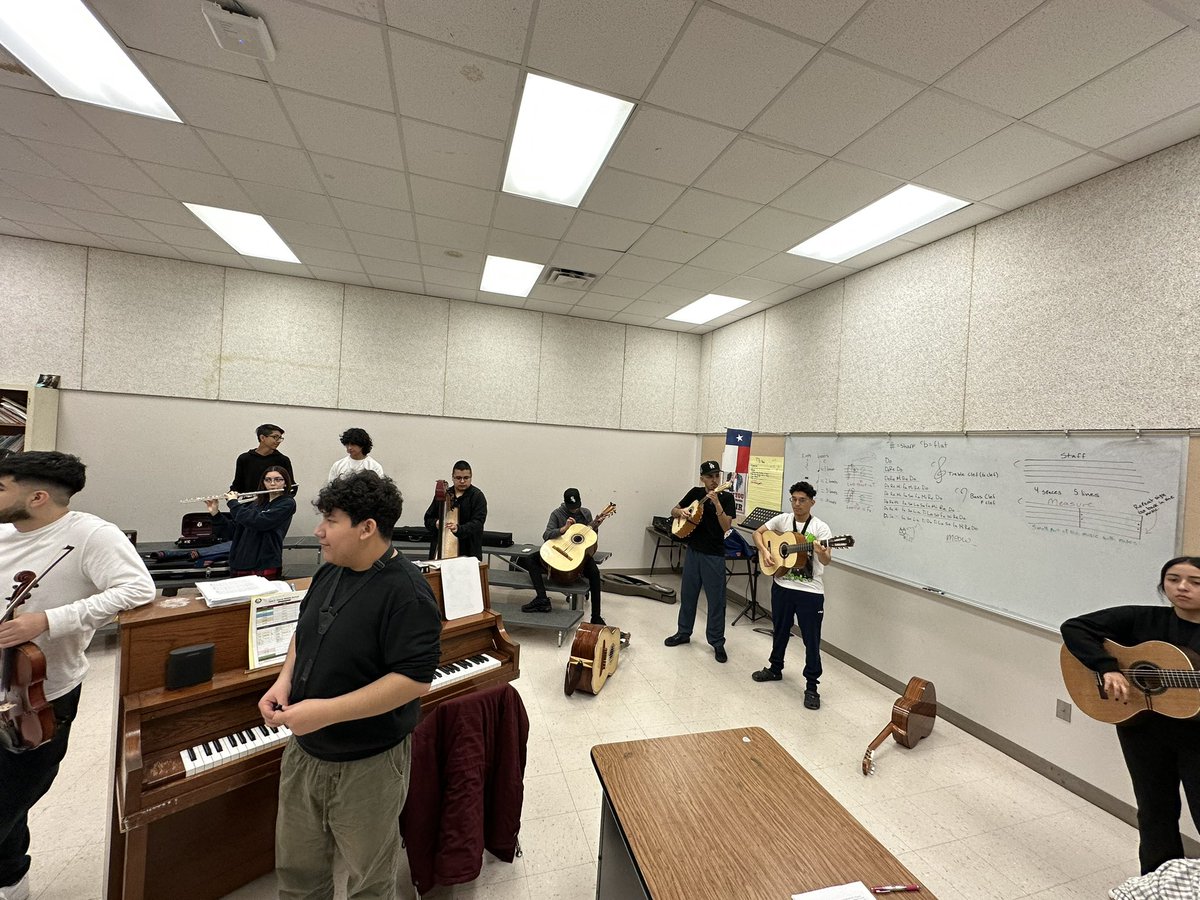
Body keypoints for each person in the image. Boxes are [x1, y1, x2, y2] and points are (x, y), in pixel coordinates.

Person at [259, 470, 441, 900]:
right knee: (297, 872)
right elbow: (305, 633)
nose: (318, 531)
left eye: (332, 520)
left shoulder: (408, 593)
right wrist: (283, 682)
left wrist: (321, 712)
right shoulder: (330, 571)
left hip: (369, 765)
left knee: (369, 881)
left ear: (367, 528)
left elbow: (414, 680)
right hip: (305, 753)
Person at [0, 451, 154, 900]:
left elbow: (138, 589)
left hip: (38, 692)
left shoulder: (90, 535)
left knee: (13, 792)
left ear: (39, 496)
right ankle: (12, 881)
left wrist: (48, 620)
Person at [1061, 556, 1200, 876]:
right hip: (1143, 729)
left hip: (1196, 736)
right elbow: (1074, 628)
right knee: (1154, 811)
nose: (1182, 587)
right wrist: (1107, 667)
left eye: (1195, 582)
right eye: (1173, 579)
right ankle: (1155, 882)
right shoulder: (1143, 618)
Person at [750, 481, 833, 710]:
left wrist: (822, 552)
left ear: (812, 502)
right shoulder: (783, 520)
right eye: (794, 499)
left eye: (802, 500)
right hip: (782, 586)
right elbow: (758, 533)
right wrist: (765, 550)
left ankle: (812, 687)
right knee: (780, 630)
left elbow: (826, 561)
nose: (797, 504)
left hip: (810, 593)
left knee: (811, 640)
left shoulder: (821, 529)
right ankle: (775, 668)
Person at [664, 461, 735, 663]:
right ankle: (683, 632)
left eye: (716, 476)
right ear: (702, 478)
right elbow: (673, 510)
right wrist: (681, 513)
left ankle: (717, 642)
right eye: (710, 477)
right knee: (688, 595)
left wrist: (717, 504)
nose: (714, 481)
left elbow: (726, 527)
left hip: (714, 555)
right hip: (693, 551)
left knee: (716, 601)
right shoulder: (695, 492)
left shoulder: (727, 497)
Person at [519, 488, 607, 625]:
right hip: (558, 551)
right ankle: (542, 599)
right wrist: (563, 529)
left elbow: (590, 539)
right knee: (530, 559)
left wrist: (595, 527)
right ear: (565, 503)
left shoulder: (586, 514)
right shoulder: (557, 514)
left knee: (595, 573)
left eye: (577, 506)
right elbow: (546, 535)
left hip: (580, 555)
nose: (574, 510)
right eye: (571, 507)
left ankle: (596, 616)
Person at [205, 465, 297, 579]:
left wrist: (233, 503)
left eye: (278, 479)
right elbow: (233, 532)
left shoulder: (287, 503)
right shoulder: (256, 503)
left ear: (286, 483)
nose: (272, 483)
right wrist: (215, 514)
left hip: (264, 563)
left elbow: (260, 522)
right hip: (240, 563)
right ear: (263, 483)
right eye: (268, 480)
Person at [423, 461, 487, 560]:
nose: (462, 481)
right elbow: (428, 519)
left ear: (471, 477)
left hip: (468, 551)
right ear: (452, 477)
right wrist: (436, 523)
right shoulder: (443, 495)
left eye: (466, 478)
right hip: (442, 549)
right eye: (458, 478)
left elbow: (478, 523)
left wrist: (458, 529)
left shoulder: (477, 496)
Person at [230, 423, 292, 494]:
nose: (278, 441)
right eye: (275, 437)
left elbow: (290, 485)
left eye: (280, 438)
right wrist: (232, 496)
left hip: (273, 503)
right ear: (262, 438)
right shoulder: (244, 459)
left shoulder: (283, 460)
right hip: (249, 504)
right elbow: (238, 485)